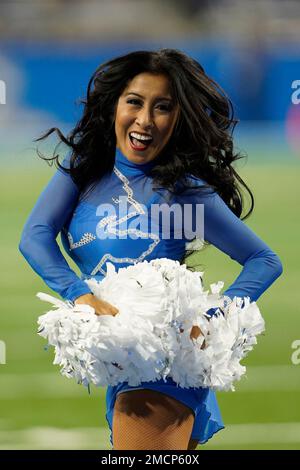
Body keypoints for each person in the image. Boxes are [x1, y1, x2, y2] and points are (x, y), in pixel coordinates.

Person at [19, 48, 283, 450]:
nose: (144, 120)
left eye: (162, 108)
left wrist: (214, 317)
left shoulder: (183, 193)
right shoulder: (85, 169)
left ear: (178, 120)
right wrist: (79, 294)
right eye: (134, 102)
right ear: (114, 106)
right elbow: (35, 235)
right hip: (121, 358)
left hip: (165, 368)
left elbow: (264, 261)